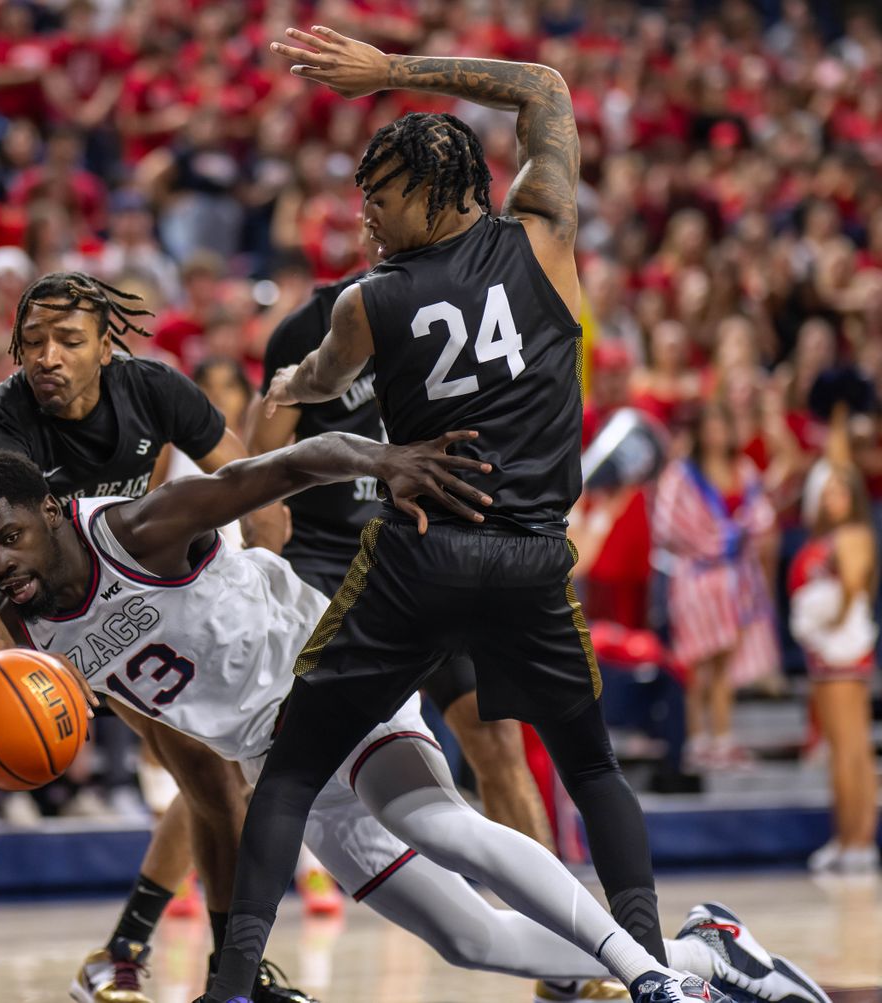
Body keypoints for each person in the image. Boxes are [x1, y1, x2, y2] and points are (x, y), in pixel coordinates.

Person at [0, 445, 828, 1003]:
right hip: (278, 756)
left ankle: (645, 974)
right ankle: (700, 949)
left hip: (329, 676)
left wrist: (385, 459)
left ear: (46, 510)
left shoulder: (137, 524)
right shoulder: (24, 616)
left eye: (6, 538)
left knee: (445, 824)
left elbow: (275, 468)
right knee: (463, 937)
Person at [201, 26, 684, 1003]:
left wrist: (289, 381)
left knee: (289, 770)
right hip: (532, 559)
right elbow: (544, 87)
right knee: (591, 767)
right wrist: (394, 72)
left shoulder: (367, 303)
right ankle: (645, 965)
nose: (366, 216)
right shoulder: (545, 237)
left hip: (418, 566)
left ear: (431, 189)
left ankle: (232, 984)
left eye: (379, 196)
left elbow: (313, 381)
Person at [0, 270, 308, 1003]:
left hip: (107, 595)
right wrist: (8, 657)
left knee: (209, 769)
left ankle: (235, 974)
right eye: (32, 340)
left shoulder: (155, 390)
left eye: (68, 339)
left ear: (106, 346)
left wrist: (262, 581)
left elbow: (255, 485)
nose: (46, 354)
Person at [249, 235, 553, 851]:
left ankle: (559, 924)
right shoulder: (307, 327)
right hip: (330, 557)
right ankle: (235, 913)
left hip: (427, 548)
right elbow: (265, 463)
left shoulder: (457, 315)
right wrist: (264, 556)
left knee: (495, 737)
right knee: (291, 748)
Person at [652, 404, 780, 771]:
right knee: (698, 665)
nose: (715, 433)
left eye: (721, 424)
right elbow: (668, 525)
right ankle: (697, 740)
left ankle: (723, 739)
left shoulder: (744, 470)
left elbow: (762, 516)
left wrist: (742, 535)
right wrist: (718, 540)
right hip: (697, 580)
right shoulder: (681, 475)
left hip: (737, 581)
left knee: (727, 663)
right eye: (708, 425)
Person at [790, 453, 880, 874]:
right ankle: (847, 837)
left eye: (840, 491)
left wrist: (829, 626)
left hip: (841, 652)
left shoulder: (854, 534)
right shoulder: (825, 536)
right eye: (827, 493)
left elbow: (853, 587)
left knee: (850, 751)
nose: (833, 500)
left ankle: (857, 840)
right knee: (842, 749)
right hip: (826, 652)